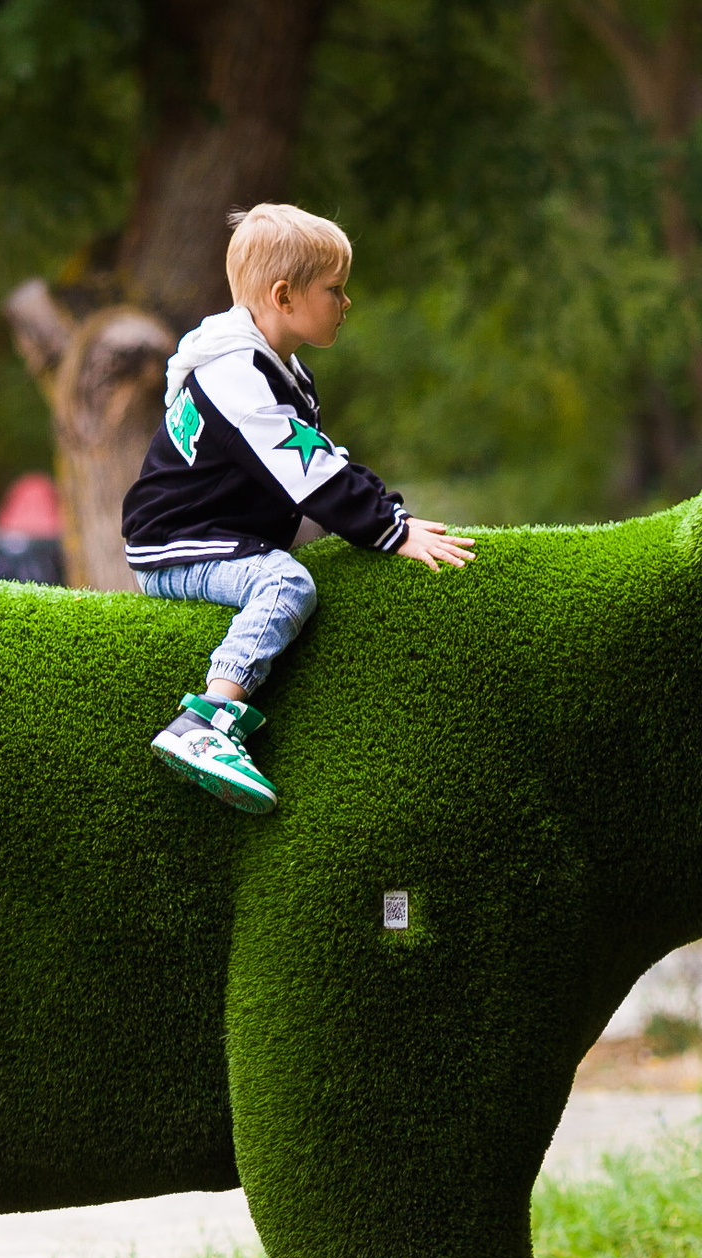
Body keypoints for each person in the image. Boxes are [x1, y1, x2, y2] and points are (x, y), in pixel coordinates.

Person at [121, 203, 476, 813]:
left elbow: (320, 459)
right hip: (177, 544)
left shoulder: (282, 371)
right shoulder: (234, 375)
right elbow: (308, 476)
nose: (346, 303)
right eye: (335, 290)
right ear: (284, 296)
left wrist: (389, 513)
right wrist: (393, 532)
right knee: (287, 583)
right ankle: (207, 721)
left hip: (220, 532)